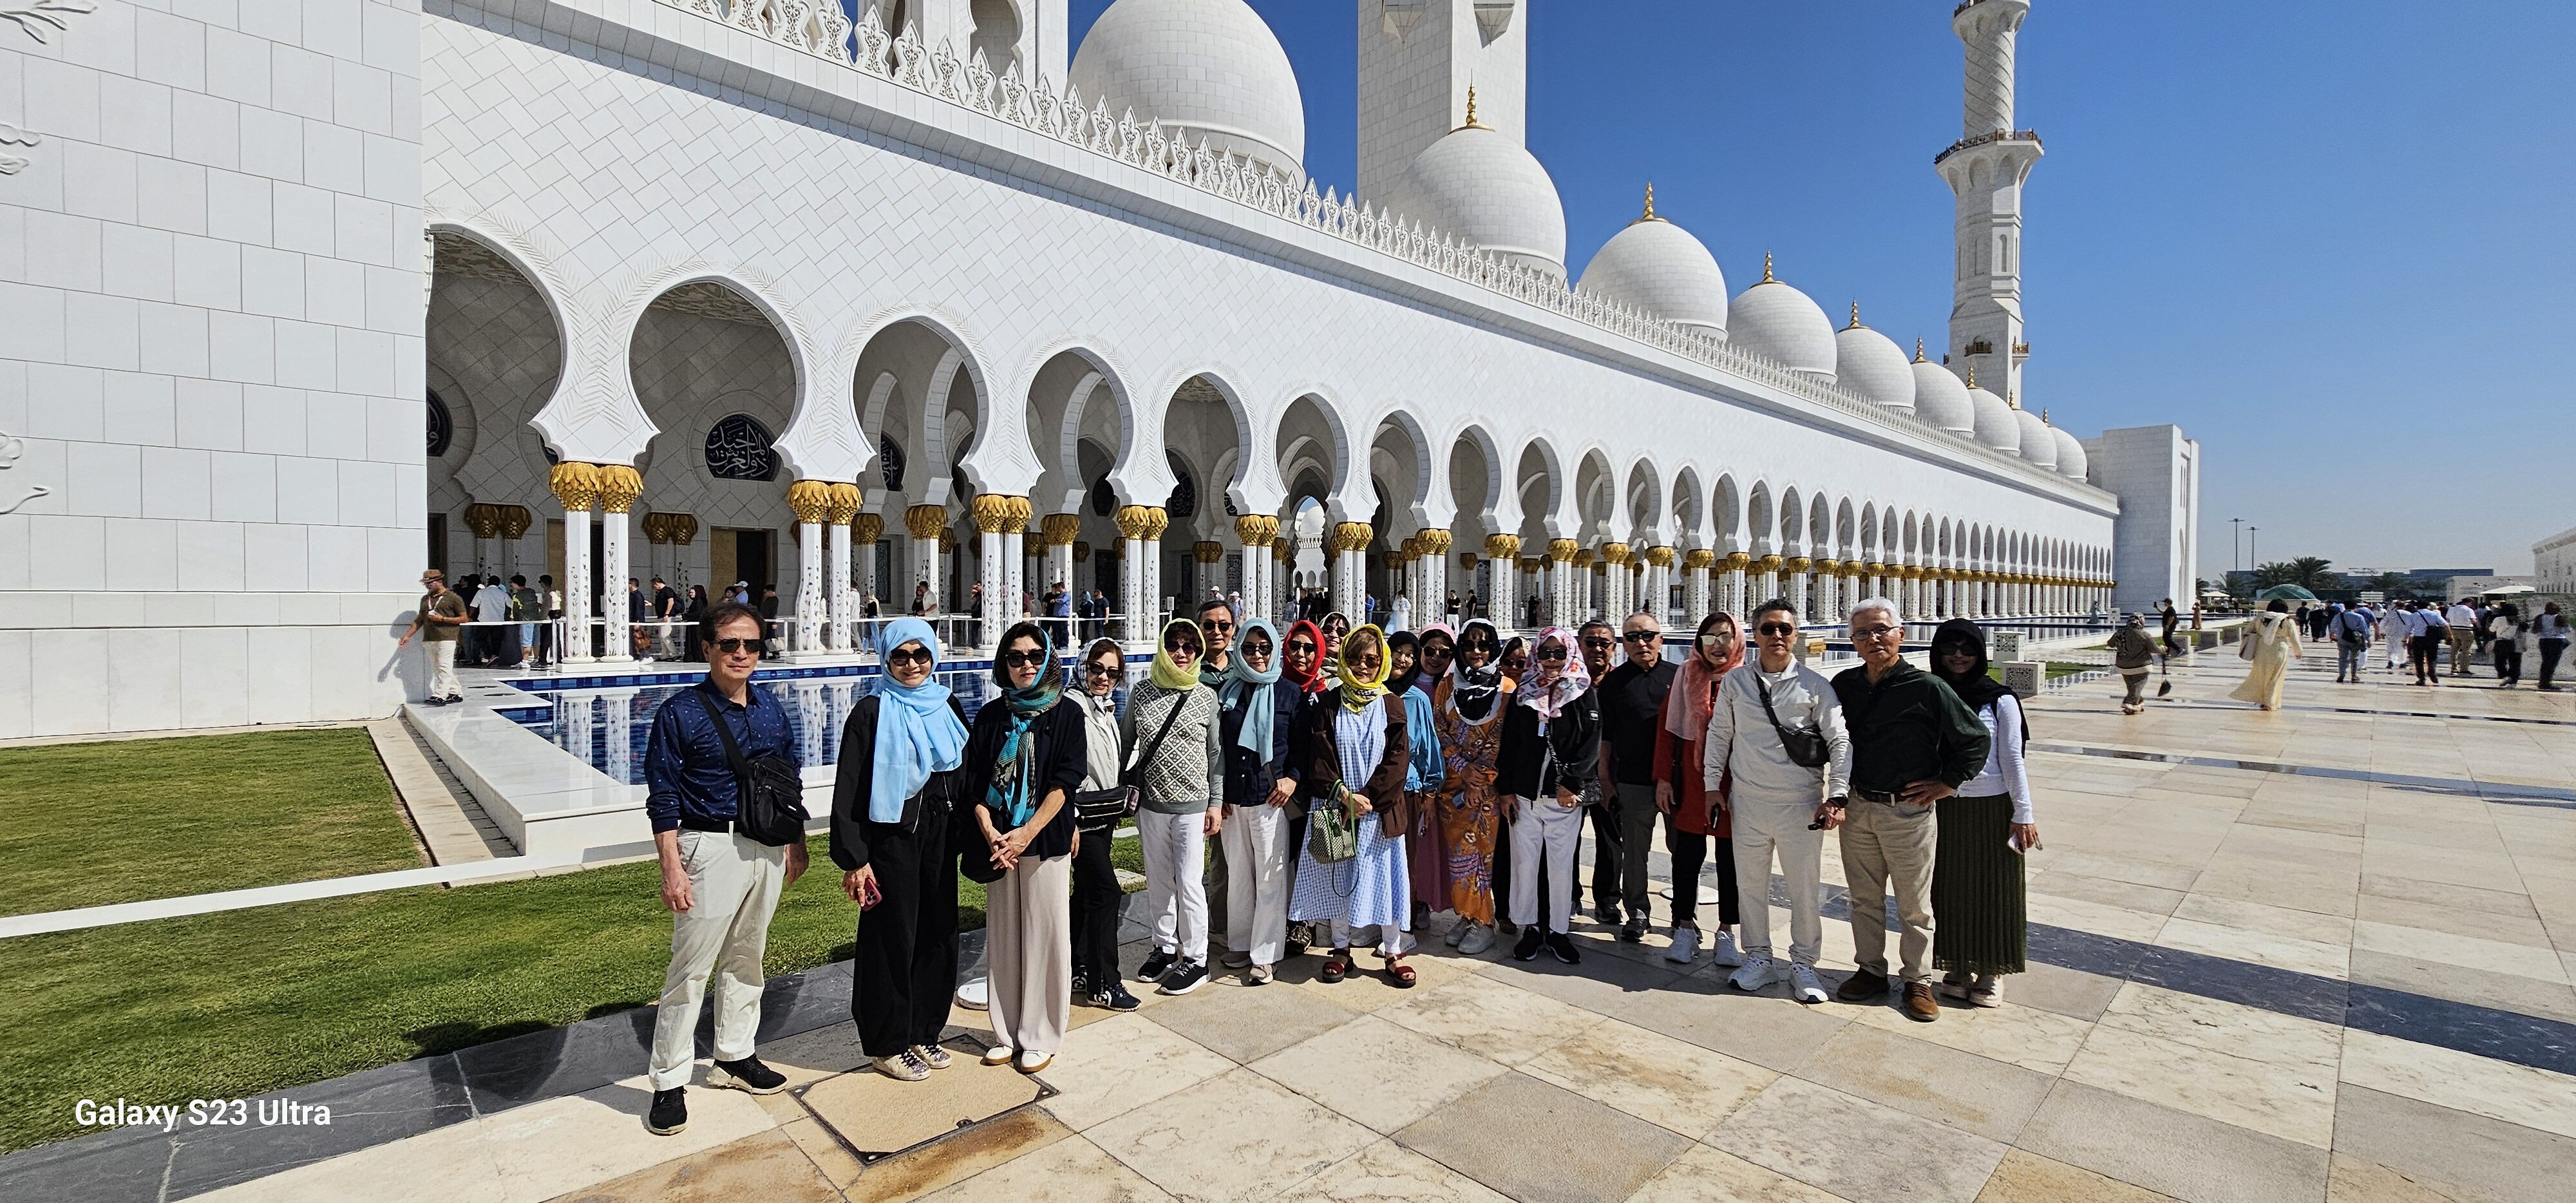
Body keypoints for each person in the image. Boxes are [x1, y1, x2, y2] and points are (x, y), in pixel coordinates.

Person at [644, 603, 810, 1133]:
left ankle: (735, 1055)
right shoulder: (681, 712)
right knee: (691, 969)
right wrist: (672, 867)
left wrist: (796, 842)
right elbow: (663, 794)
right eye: (730, 644)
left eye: (751, 645)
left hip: (767, 846)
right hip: (709, 845)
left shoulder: (770, 707)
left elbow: (788, 778)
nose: (742, 653)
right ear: (708, 649)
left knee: (747, 956)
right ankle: (669, 1080)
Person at [1830, 598, 1989, 1022]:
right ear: (1853, 641)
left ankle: (1918, 980)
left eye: (1881, 629)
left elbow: (1975, 739)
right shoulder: (1846, 685)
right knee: (1864, 898)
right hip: (1860, 807)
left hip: (1908, 813)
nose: (1873, 639)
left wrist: (1948, 782)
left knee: (1915, 905)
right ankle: (1870, 970)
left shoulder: (1927, 687)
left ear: (1900, 634)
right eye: (1863, 633)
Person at [830, 616, 971, 1083]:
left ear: (934, 656)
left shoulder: (945, 703)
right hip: (891, 841)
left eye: (921, 655)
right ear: (886, 659)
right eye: (901, 656)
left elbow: (962, 772)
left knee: (937, 934)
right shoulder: (871, 712)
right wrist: (856, 859)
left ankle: (923, 1031)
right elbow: (849, 788)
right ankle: (886, 1042)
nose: (912, 665)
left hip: (939, 838)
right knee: (891, 939)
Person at [1703, 600, 1849, 1005]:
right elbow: (1720, 735)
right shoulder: (1736, 682)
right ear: (1755, 635)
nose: (1777, 636)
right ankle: (1759, 957)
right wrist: (1712, 786)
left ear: (1796, 635)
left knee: (1803, 888)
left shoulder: (1815, 686)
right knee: (1750, 885)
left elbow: (1840, 740)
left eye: (1785, 628)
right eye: (1768, 629)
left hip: (1799, 805)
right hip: (1748, 802)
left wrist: (1837, 794)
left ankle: (1803, 963)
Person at [961, 622, 1084, 1072]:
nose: (1026, 665)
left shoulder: (1067, 713)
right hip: (999, 843)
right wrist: (990, 831)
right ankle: (1007, 1031)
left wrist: (1026, 833)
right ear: (1004, 664)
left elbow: (1066, 782)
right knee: (1004, 937)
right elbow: (974, 784)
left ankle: (1041, 1033)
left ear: (1047, 659)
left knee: (1045, 936)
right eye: (1016, 657)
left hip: (1043, 839)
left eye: (1035, 656)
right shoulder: (992, 716)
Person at [1288, 625, 1420, 985]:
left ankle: (1393, 949)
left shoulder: (1391, 703)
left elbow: (1398, 758)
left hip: (1379, 811)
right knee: (1338, 878)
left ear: (1382, 664)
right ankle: (1341, 948)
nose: (1363, 666)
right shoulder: (1330, 702)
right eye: (1355, 658)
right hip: (1337, 806)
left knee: (1385, 879)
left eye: (1371, 660)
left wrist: (1369, 799)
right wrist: (1344, 795)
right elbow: (1321, 754)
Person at [1927, 620, 2040, 1007]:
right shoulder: (1932, 692)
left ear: (1981, 653)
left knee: (1996, 888)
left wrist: (2024, 813)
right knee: (1951, 888)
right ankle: (1957, 964)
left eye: (1968, 648)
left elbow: (2013, 758)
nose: (1958, 656)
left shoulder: (2000, 700)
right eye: (1950, 648)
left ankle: (1992, 969)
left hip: (1993, 807)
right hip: (1944, 806)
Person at [1127, 618, 1224, 996]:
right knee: (1158, 878)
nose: (1181, 653)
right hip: (1151, 804)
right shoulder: (1142, 692)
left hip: (1192, 806)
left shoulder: (1206, 696)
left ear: (1198, 652)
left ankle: (1197, 958)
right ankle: (1165, 946)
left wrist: (1215, 803)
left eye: (1189, 646)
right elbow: (1126, 742)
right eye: (1174, 645)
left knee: (1189, 881)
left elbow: (1215, 755)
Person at [1495, 627, 1598, 965]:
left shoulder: (1582, 691)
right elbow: (1510, 744)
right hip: (1524, 797)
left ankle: (1557, 931)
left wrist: (1572, 781)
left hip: (1562, 798)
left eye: (1558, 653)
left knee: (1561, 867)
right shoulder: (1526, 692)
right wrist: (1506, 790)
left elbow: (1591, 742)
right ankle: (1530, 929)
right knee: (1525, 866)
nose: (1551, 660)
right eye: (1545, 653)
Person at [1651, 611, 1746, 967]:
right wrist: (1664, 778)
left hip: (1735, 780)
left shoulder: (1747, 679)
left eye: (1725, 637)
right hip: (1691, 779)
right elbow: (1667, 729)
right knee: (1687, 855)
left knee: (1730, 859)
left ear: (1737, 641)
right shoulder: (1686, 675)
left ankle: (1727, 931)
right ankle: (1685, 927)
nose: (1717, 645)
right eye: (1710, 637)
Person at [1217, 618, 1298, 984]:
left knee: (1269, 878)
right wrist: (1218, 794)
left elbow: (1302, 745)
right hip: (1233, 799)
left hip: (1271, 799)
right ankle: (1241, 942)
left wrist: (1292, 778)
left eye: (1264, 648)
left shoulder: (1288, 693)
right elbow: (1217, 747)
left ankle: (1265, 954)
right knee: (1238, 875)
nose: (1257, 655)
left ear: (1275, 650)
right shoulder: (1228, 692)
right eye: (1249, 648)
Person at [1597, 612, 1678, 942]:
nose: (1641, 643)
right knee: (1634, 851)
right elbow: (1606, 739)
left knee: (1682, 849)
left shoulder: (1679, 677)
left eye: (1647, 636)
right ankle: (1638, 912)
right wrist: (1605, 781)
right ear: (1623, 644)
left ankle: (1683, 915)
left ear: (1661, 639)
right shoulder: (1614, 684)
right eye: (1632, 637)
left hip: (1676, 781)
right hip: (1632, 780)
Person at [1430, 619, 1510, 954]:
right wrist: (1463, 770)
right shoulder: (1448, 686)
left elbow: (1502, 735)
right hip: (1454, 788)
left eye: (1484, 645)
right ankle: (1467, 914)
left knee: (1483, 855)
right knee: (1459, 855)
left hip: (1487, 791)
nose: (1477, 652)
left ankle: (1485, 921)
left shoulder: (1506, 688)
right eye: (1469, 645)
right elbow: (1439, 727)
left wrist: (1480, 777)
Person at [1069, 639, 1139, 1010]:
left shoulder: (1103, 708)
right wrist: (1069, 819)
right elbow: (1064, 769)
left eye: (1113, 672)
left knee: (1086, 892)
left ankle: (1079, 966)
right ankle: (1105, 983)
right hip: (1081, 818)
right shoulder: (1072, 707)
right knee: (1106, 892)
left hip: (1101, 815)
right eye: (1096, 669)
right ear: (1084, 666)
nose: (1104, 678)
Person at [1573, 619, 1625, 925]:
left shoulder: (1619, 683)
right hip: (1575, 776)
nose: (1597, 649)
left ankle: (1607, 900)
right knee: (1569, 839)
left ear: (1614, 648)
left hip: (1611, 777)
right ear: (1579, 646)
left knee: (1610, 840)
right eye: (1590, 643)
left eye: (1604, 643)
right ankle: (1570, 894)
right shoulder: (1570, 684)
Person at [399, 569, 469, 704]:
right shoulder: (426, 599)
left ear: (439, 581)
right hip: (430, 638)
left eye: (430, 583)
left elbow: (464, 619)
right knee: (438, 668)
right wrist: (407, 636)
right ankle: (455, 692)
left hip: (447, 637)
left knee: (444, 666)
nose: (427, 586)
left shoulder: (453, 598)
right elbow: (420, 619)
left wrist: (442, 619)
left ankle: (440, 694)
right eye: (425, 584)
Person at [2230, 599, 2304, 710]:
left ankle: (2263, 700)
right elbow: (2294, 639)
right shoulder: (2287, 620)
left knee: (2262, 675)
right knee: (2275, 676)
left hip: (2262, 649)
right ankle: (2270, 702)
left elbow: (2247, 631)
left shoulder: (2260, 618)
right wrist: (2298, 652)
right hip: (2279, 649)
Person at [2108, 614, 2156, 713]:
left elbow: (2110, 644)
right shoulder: (2145, 635)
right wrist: (2163, 649)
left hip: (2123, 665)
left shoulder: (2119, 633)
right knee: (2137, 685)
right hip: (2141, 665)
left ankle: (2138, 703)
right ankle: (2129, 702)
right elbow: (2154, 649)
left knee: (2131, 687)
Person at [472, 569, 512, 665]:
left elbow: (473, 606)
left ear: (489, 583)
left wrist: (469, 616)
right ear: (498, 584)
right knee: (496, 641)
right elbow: (511, 605)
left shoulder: (482, 592)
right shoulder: (503, 594)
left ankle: (489, 655)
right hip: (498, 621)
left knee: (480, 638)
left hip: (484, 621)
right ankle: (495, 656)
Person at [2331, 601, 2374, 683]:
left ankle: (2342, 674)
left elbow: (2333, 626)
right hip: (2355, 639)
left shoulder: (2339, 616)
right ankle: (2354, 676)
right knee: (2354, 658)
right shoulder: (2359, 616)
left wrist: (2333, 634)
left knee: (2342, 658)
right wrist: (2368, 640)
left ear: (2345, 606)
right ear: (2355, 607)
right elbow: (2364, 629)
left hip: (2342, 639)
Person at [2486, 602, 2523, 688]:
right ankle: (2512, 678)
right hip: (2512, 642)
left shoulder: (2499, 619)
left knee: (2500, 662)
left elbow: (2492, 630)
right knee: (2513, 663)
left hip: (2501, 643)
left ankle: (2505, 676)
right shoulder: (2518, 620)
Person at [2534, 602, 2568, 692]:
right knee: (2553, 663)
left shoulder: (2540, 617)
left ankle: (2543, 682)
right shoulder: (2559, 618)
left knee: (2545, 662)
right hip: (2557, 641)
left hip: (2544, 641)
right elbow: (2566, 630)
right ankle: (2547, 682)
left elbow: (2536, 630)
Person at [2445, 597, 2478, 677]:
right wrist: (2476, 622)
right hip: (2467, 630)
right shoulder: (2469, 610)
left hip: (2454, 630)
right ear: (2468, 603)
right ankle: (2464, 668)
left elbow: (2448, 620)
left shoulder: (2451, 609)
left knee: (2454, 650)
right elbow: (2473, 621)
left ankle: (2454, 668)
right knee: (2466, 650)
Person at [681, 584, 710, 661]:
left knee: (697, 641)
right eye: (690, 593)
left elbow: (698, 613)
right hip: (693, 626)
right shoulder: (696, 602)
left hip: (697, 626)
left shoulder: (700, 602)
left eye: (692, 593)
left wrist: (686, 616)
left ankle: (700, 657)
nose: (690, 594)